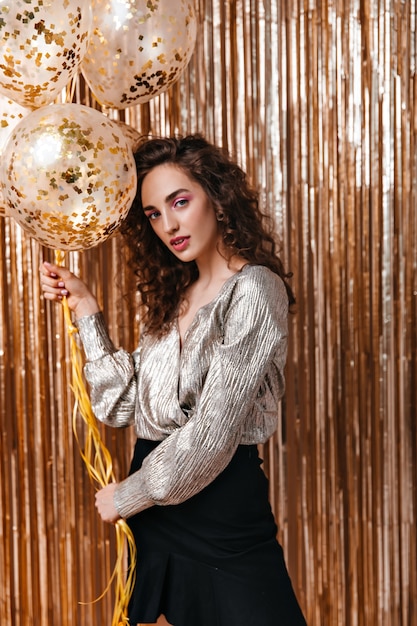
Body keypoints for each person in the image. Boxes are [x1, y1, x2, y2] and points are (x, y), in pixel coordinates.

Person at [40, 134, 307, 626]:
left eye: (179, 202)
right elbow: (120, 408)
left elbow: (210, 438)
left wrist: (128, 494)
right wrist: (86, 312)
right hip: (156, 517)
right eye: (154, 214)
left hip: (220, 510)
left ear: (218, 198)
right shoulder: (175, 298)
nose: (169, 224)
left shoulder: (254, 290)